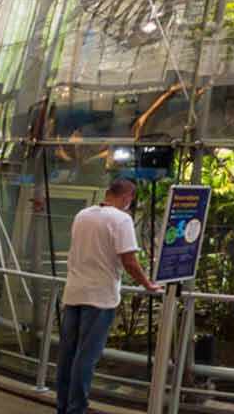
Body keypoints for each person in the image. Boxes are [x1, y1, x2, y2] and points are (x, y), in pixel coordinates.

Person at [57, 177, 160, 414]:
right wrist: (147, 285)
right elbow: (129, 261)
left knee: (68, 354)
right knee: (86, 357)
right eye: (130, 200)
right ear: (127, 197)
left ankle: (63, 407)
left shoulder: (82, 215)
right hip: (100, 297)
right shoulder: (121, 219)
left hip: (74, 292)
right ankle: (77, 409)